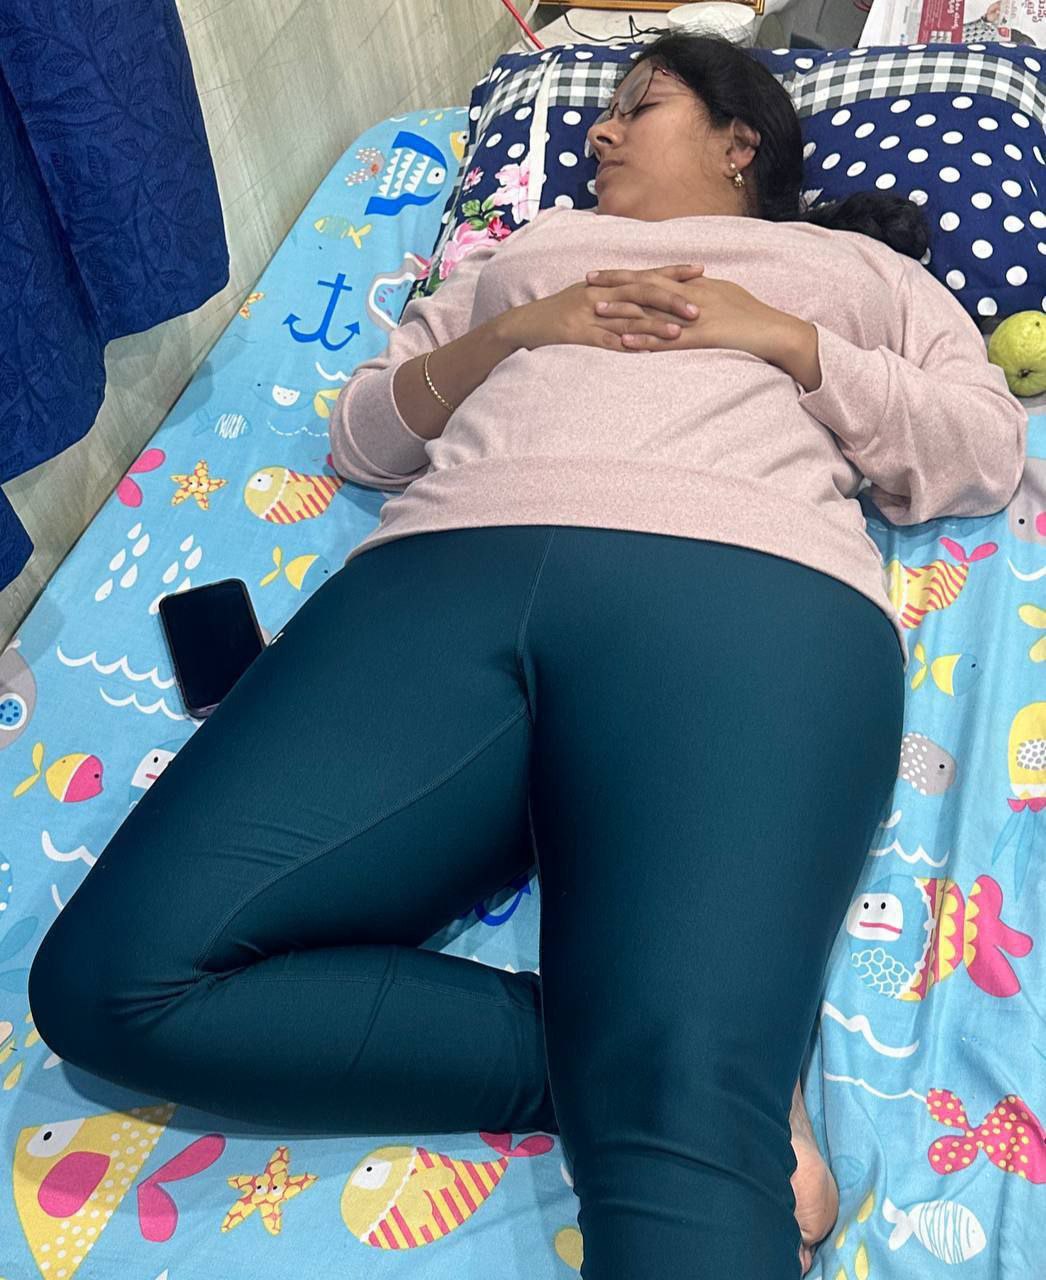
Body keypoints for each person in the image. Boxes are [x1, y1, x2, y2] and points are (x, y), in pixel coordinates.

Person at [27, 31, 1027, 1280]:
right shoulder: (525, 251)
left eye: (636, 106)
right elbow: (363, 436)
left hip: (743, 592)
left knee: (679, 1137)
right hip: (439, 580)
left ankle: (686, 1078)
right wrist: (515, 329)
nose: (599, 132)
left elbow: (980, 448)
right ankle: (672, 1059)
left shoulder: (856, 272)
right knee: (111, 985)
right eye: (598, 112)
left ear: (739, 142)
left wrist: (787, 340)